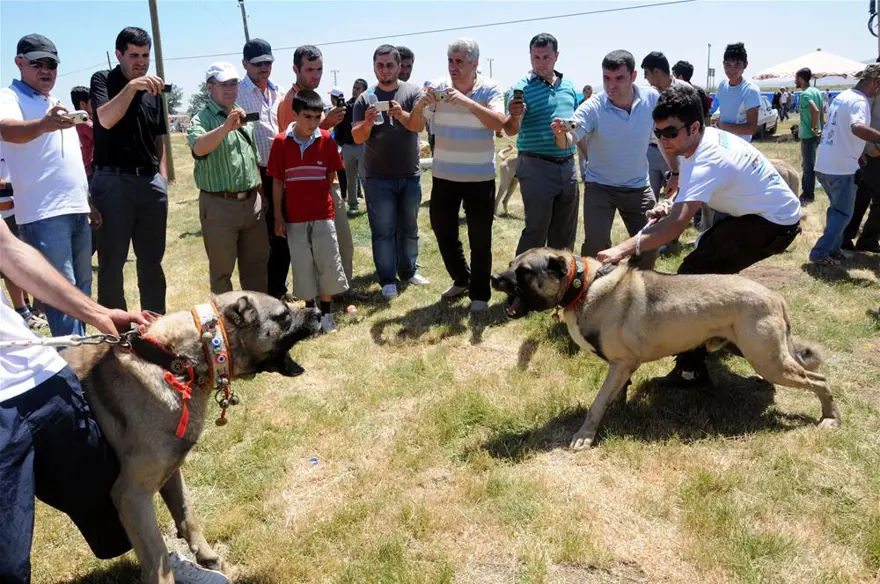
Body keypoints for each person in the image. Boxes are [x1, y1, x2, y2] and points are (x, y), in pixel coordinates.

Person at [0, 219, 231, 584]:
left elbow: (7, 249)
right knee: (7, 568)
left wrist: (97, 314)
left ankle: (160, 564)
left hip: (40, 376)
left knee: (121, 492)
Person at [598, 85, 802, 388]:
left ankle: (691, 370)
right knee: (707, 264)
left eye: (670, 133)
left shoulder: (710, 159)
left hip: (771, 224)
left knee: (691, 281)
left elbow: (674, 229)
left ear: (695, 126)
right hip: (755, 215)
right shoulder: (699, 140)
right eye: (658, 133)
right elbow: (685, 182)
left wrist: (622, 250)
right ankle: (722, 333)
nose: (663, 141)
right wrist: (672, 197)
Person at [0, 34, 93, 337]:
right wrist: (44, 124)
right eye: (37, 63)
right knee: (62, 300)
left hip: (76, 210)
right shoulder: (9, 97)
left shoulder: (54, 102)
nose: (46, 70)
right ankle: (77, 374)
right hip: (44, 215)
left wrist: (88, 202)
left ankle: (86, 369)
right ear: (19, 63)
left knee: (82, 296)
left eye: (51, 64)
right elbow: (6, 129)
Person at [555, 50, 668, 265]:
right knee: (595, 248)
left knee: (649, 246)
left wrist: (676, 169)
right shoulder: (593, 106)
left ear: (634, 76)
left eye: (619, 78)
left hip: (638, 187)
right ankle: (592, 294)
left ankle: (637, 291)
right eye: (606, 78)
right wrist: (562, 134)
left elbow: (666, 136)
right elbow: (570, 137)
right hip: (600, 187)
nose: (611, 85)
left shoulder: (652, 99)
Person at [421, 38, 505, 313]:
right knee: (442, 229)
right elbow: (414, 124)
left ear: (475, 64)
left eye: (459, 61)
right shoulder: (438, 86)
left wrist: (468, 103)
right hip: (444, 176)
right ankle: (462, 278)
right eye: (450, 61)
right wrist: (424, 101)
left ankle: (480, 294)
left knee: (480, 237)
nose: (453, 67)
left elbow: (499, 123)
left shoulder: (490, 88)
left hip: (480, 178)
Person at [90, 26, 169, 314]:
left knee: (151, 262)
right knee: (112, 263)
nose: (141, 61)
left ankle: (157, 330)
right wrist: (132, 87)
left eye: (145, 55)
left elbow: (159, 136)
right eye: (134, 55)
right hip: (113, 182)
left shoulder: (154, 89)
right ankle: (117, 336)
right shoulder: (103, 80)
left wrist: (160, 176)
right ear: (119, 54)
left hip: (149, 183)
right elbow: (106, 119)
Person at [352, 44, 429, 299]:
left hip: (409, 175)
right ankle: (387, 279)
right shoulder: (365, 98)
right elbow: (357, 136)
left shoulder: (412, 91)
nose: (384, 70)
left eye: (389, 65)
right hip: (377, 178)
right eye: (379, 65)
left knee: (409, 227)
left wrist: (401, 113)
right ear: (374, 66)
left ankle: (408, 271)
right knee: (383, 231)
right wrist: (368, 122)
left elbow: (418, 125)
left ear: (399, 66)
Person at [268, 90, 348, 333]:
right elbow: (278, 182)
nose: (313, 123)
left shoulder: (326, 140)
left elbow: (331, 174)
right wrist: (279, 216)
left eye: (317, 117)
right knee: (303, 265)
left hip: (323, 214)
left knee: (327, 262)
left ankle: (326, 313)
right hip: (295, 217)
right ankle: (310, 312)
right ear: (295, 114)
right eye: (307, 117)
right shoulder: (281, 142)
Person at [187, 62, 268, 295]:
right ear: (209, 87)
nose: (231, 89)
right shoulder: (201, 119)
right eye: (224, 84)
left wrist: (261, 197)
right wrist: (225, 128)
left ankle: (257, 324)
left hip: (252, 203)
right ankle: (227, 326)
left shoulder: (241, 114)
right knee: (222, 273)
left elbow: (252, 159)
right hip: (219, 205)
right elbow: (199, 148)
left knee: (256, 268)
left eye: (233, 83)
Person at [276, 45, 354, 286]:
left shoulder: (313, 99)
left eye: (319, 69)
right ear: (295, 69)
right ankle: (328, 297)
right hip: (309, 190)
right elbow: (295, 143)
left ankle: (339, 292)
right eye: (310, 69)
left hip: (325, 181)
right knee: (325, 245)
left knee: (339, 242)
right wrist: (326, 123)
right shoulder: (291, 102)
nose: (316, 74)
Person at [504, 33, 580, 256]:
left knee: (565, 232)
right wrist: (516, 114)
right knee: (536, 230)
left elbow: (576, 123)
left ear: (557, 56)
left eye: (546, 57)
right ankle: (519, 283)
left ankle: (560, 283)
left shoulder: (569, 86)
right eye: (535, 57)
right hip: (535, 165)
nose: (540, 63)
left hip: (568, 164)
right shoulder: (520, 89)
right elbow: (510, 129)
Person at [810, 64, 880, 265]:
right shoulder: (859, 101)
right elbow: (857, 127)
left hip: (825, 163)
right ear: (876, 82)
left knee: (837, 210)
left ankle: (834, 249)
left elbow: (839, 130)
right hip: (840, 168)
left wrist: (858, 153)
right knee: (843, 213)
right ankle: (820, 252)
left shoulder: (842, 96)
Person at [236, 38, 288, 299]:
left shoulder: (279, 91)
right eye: (257, 64)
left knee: (282, 235)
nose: (264, 68)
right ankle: (263, 293)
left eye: (268, 62)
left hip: (281, 172)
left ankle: (278, 290)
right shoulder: (236, 93)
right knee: (261, 240)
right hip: (255, 175)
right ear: (245, 63)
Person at [0, 145, 46, 331]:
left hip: (20, 207)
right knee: (12, 264)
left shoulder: (14, 141)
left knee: (29, 258)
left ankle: (32, 307)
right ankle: (22, 311)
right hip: (6, 211)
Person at [641, 51, 689, 200]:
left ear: (657, 71)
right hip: (653, 152)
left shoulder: (684, 90)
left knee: (678, 197)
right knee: (649, 199)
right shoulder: (648, 95)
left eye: (646, 73)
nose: (645, 77)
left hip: (679, 152)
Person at [714, 42, 761, 142]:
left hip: (740, 147)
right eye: (728, 65)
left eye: (737, 64)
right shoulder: (722, 86)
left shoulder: (751, 91)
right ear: (723, 64)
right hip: (722, 143)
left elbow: (751, 128)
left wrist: (723, 126)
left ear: (745, 64)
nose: (732, 69)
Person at [336, 78, 368, 213]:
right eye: (354, 87)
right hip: (348, 146)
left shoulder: (367, 106)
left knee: (365, 176)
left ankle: (371, 202)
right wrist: (340, 144)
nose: (354, 90)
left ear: (364, 91)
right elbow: (340, 126)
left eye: (358, 88)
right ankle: (353, 205)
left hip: (363, 146)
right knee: (350, 177)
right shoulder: (346, 106)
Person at [795, 67, 824, 204]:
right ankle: (807, 191)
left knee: (808, 167)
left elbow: (816, 110)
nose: (795, 81)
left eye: (796, 78)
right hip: (816, 134)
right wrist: (820, 128)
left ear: (801, 78)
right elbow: (821, 112)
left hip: (808, 135)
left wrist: (813, 128)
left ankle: (808, 195)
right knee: (808, 163)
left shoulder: (805, 94)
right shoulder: (817, 92)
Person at [577, 84, 593, 181]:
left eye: (590, 92)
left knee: (591, 153)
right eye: (586, 92)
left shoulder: (594, 104)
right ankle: (583, 175)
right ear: (583, 93)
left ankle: (590, 173)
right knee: (581, 154)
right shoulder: (579, 104)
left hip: (591, 131)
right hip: (582, 131)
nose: (588, 94)